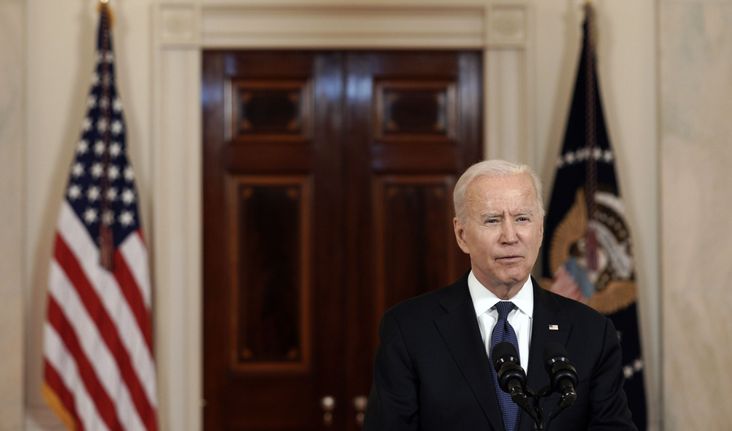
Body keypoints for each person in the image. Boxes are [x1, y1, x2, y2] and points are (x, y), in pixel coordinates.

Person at [363, 159, 637, 431]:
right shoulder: (409, 330)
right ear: (461, 235)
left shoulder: (592, 331)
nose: (510, 236)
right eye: (492, 220)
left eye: (522, 219)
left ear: (540, 229)